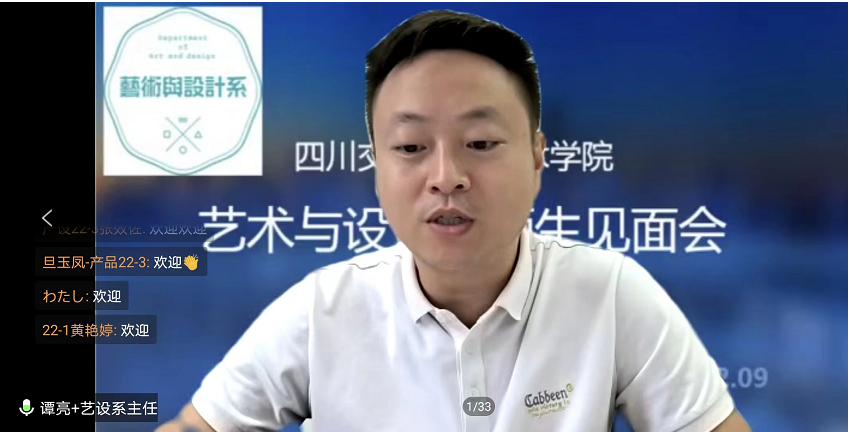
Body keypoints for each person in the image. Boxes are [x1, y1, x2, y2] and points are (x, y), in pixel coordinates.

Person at [157, 9, 752, 432]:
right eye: (411, 148)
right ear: (377, 167)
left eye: (481, 143)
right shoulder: (321, 312)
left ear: (538, 158)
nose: (446, 177)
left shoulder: (611, 295)